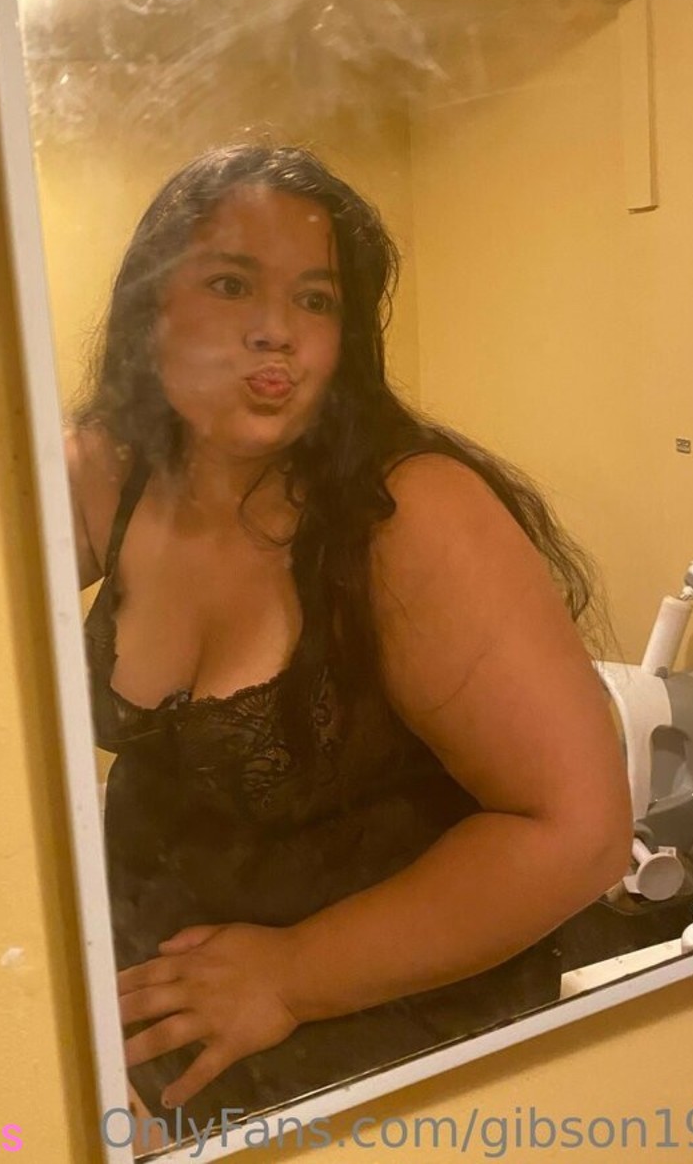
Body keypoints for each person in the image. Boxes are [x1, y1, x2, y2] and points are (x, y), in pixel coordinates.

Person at [65, 143, 632, 1140]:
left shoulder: (407, 518)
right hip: (163, 1038)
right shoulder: (111, 471)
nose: (276, 330)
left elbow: (580, 833)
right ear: (154, 305)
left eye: (315, 299)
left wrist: (292, 974)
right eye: (231, 283)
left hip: (393, 1055)